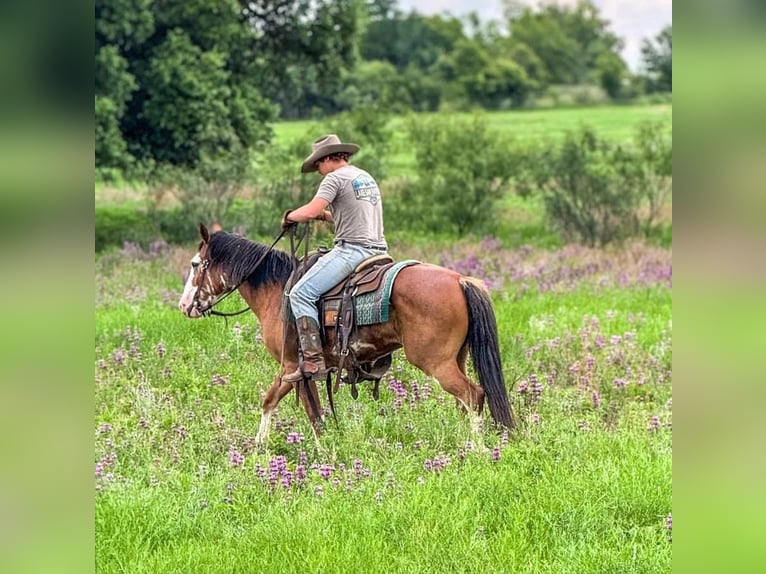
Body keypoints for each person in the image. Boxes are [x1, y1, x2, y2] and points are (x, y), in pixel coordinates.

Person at [281, 134, 387, 383]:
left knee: (300, 294)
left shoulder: (334, 178)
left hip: (352, 251)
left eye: (318, 163)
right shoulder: (364, 176)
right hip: (379, 251)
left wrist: (289, 216)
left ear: (328, 158)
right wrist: (325, 217)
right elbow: (350, 214)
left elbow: (311, 209)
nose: (318, 170)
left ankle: (313, 361)